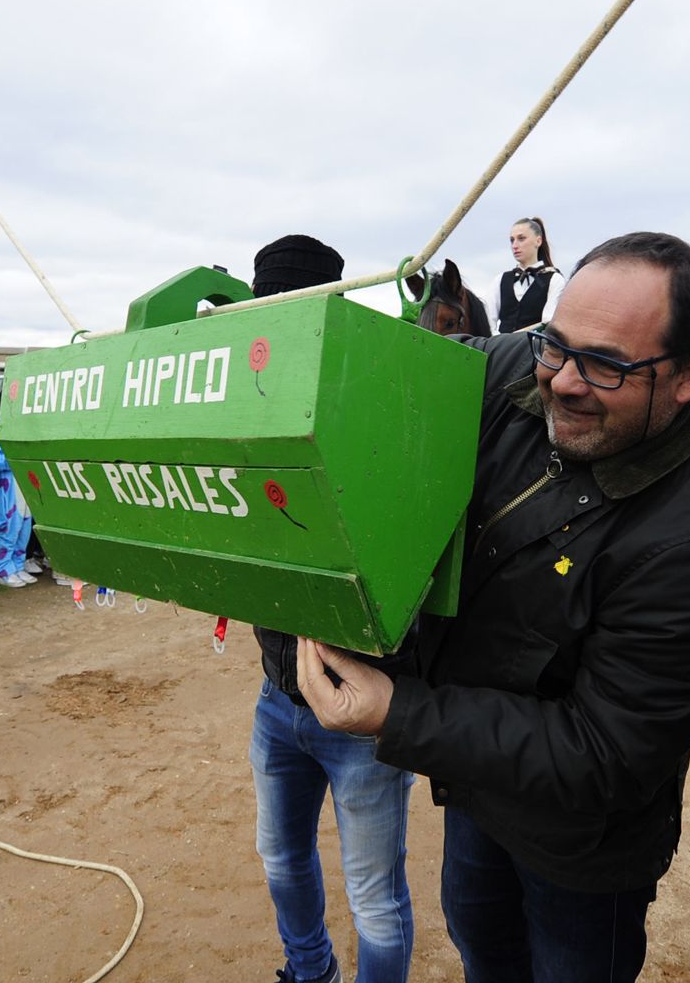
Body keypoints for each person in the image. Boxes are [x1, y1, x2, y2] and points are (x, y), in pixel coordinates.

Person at [299, 231, 690, 982]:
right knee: (482, 949)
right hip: (478, 785)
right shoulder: (527, 366)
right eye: (556, 346)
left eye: (606, 364)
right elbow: (390, 398)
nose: (564, 382)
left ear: (688, 375)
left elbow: (603, 756)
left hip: (584, 849)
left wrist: (400, 712)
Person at [248, 234, 418, 983]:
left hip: (364, 712)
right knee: (280, 856)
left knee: (374, 898)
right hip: (277, 697)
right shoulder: (246, 421)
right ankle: (306, 971)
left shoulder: (383, 407)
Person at [0, 416, 35, 588]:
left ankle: (18, 565)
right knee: (8, 526)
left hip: (25, 482)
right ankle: (4, 570)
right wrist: (14, 462)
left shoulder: (26, 425)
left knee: (24, 526)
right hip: (7, 485)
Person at [483, 216, 567, 333]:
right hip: (499, 348)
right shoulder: (500, 280)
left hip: (534, 348)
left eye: (521, 238)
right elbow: (487, 321)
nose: (514, 245)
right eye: (512, 240)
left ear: (538, 241)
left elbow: (548, 324)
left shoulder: (554, 280)